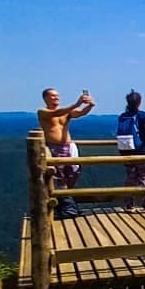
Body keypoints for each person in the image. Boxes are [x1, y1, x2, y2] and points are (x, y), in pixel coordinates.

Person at [37, 88, 96, 218]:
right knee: (59, 178)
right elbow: (57, 112)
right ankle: (68, 209)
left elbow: (80, 114)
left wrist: (90, 106)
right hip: (54, 147)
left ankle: (67, 207)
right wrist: (77, 103)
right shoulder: (42, 112)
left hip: (69, 147)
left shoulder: (66, 112)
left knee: (72, 175)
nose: (56, 98)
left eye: (57, 96)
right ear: (45, 98)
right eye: (53, 96)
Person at [116, 91, 145, 212]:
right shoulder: (144, 116)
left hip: (128, 152)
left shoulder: (123, 116)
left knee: (131, 178)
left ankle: (129, 204)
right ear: (140, 102)